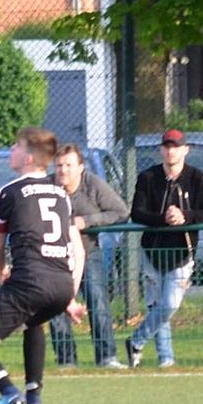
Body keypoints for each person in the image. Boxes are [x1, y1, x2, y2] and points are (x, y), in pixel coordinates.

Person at [0, 127, 86, 404]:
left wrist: (2, 270)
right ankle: (34, 400)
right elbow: (77, 251)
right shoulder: (62, 194)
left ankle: (9, 393)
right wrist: (70, 296)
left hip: (29, 282)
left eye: (16, 146)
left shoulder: (10, 192)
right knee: (33, 322)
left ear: (28, 158)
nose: (11, 150)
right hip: (62, 285)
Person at [125, 129, 203, 368]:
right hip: (152, 251)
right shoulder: (148, 177)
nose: (170, 151)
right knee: (157, 306)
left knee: (170, 304)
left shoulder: (198, 178)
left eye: (175, 146)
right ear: (161, 150)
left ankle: (136, 340)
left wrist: (185, 216)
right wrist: (162, 218)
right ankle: (166, 358)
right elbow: (137, 213)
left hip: (182, 253)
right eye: (166, 146)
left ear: (185, 150)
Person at [48, 144, 130, 369]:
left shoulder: (93, 184)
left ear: (81, 167)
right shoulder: (47, 186)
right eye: (59, 165)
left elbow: (121, 212)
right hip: (54, 257)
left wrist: (88, 221)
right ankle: (66, 360)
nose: (63, 170)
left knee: (97, 300)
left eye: (69, 165)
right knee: (56, 306)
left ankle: (107, 357)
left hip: (88, 252)